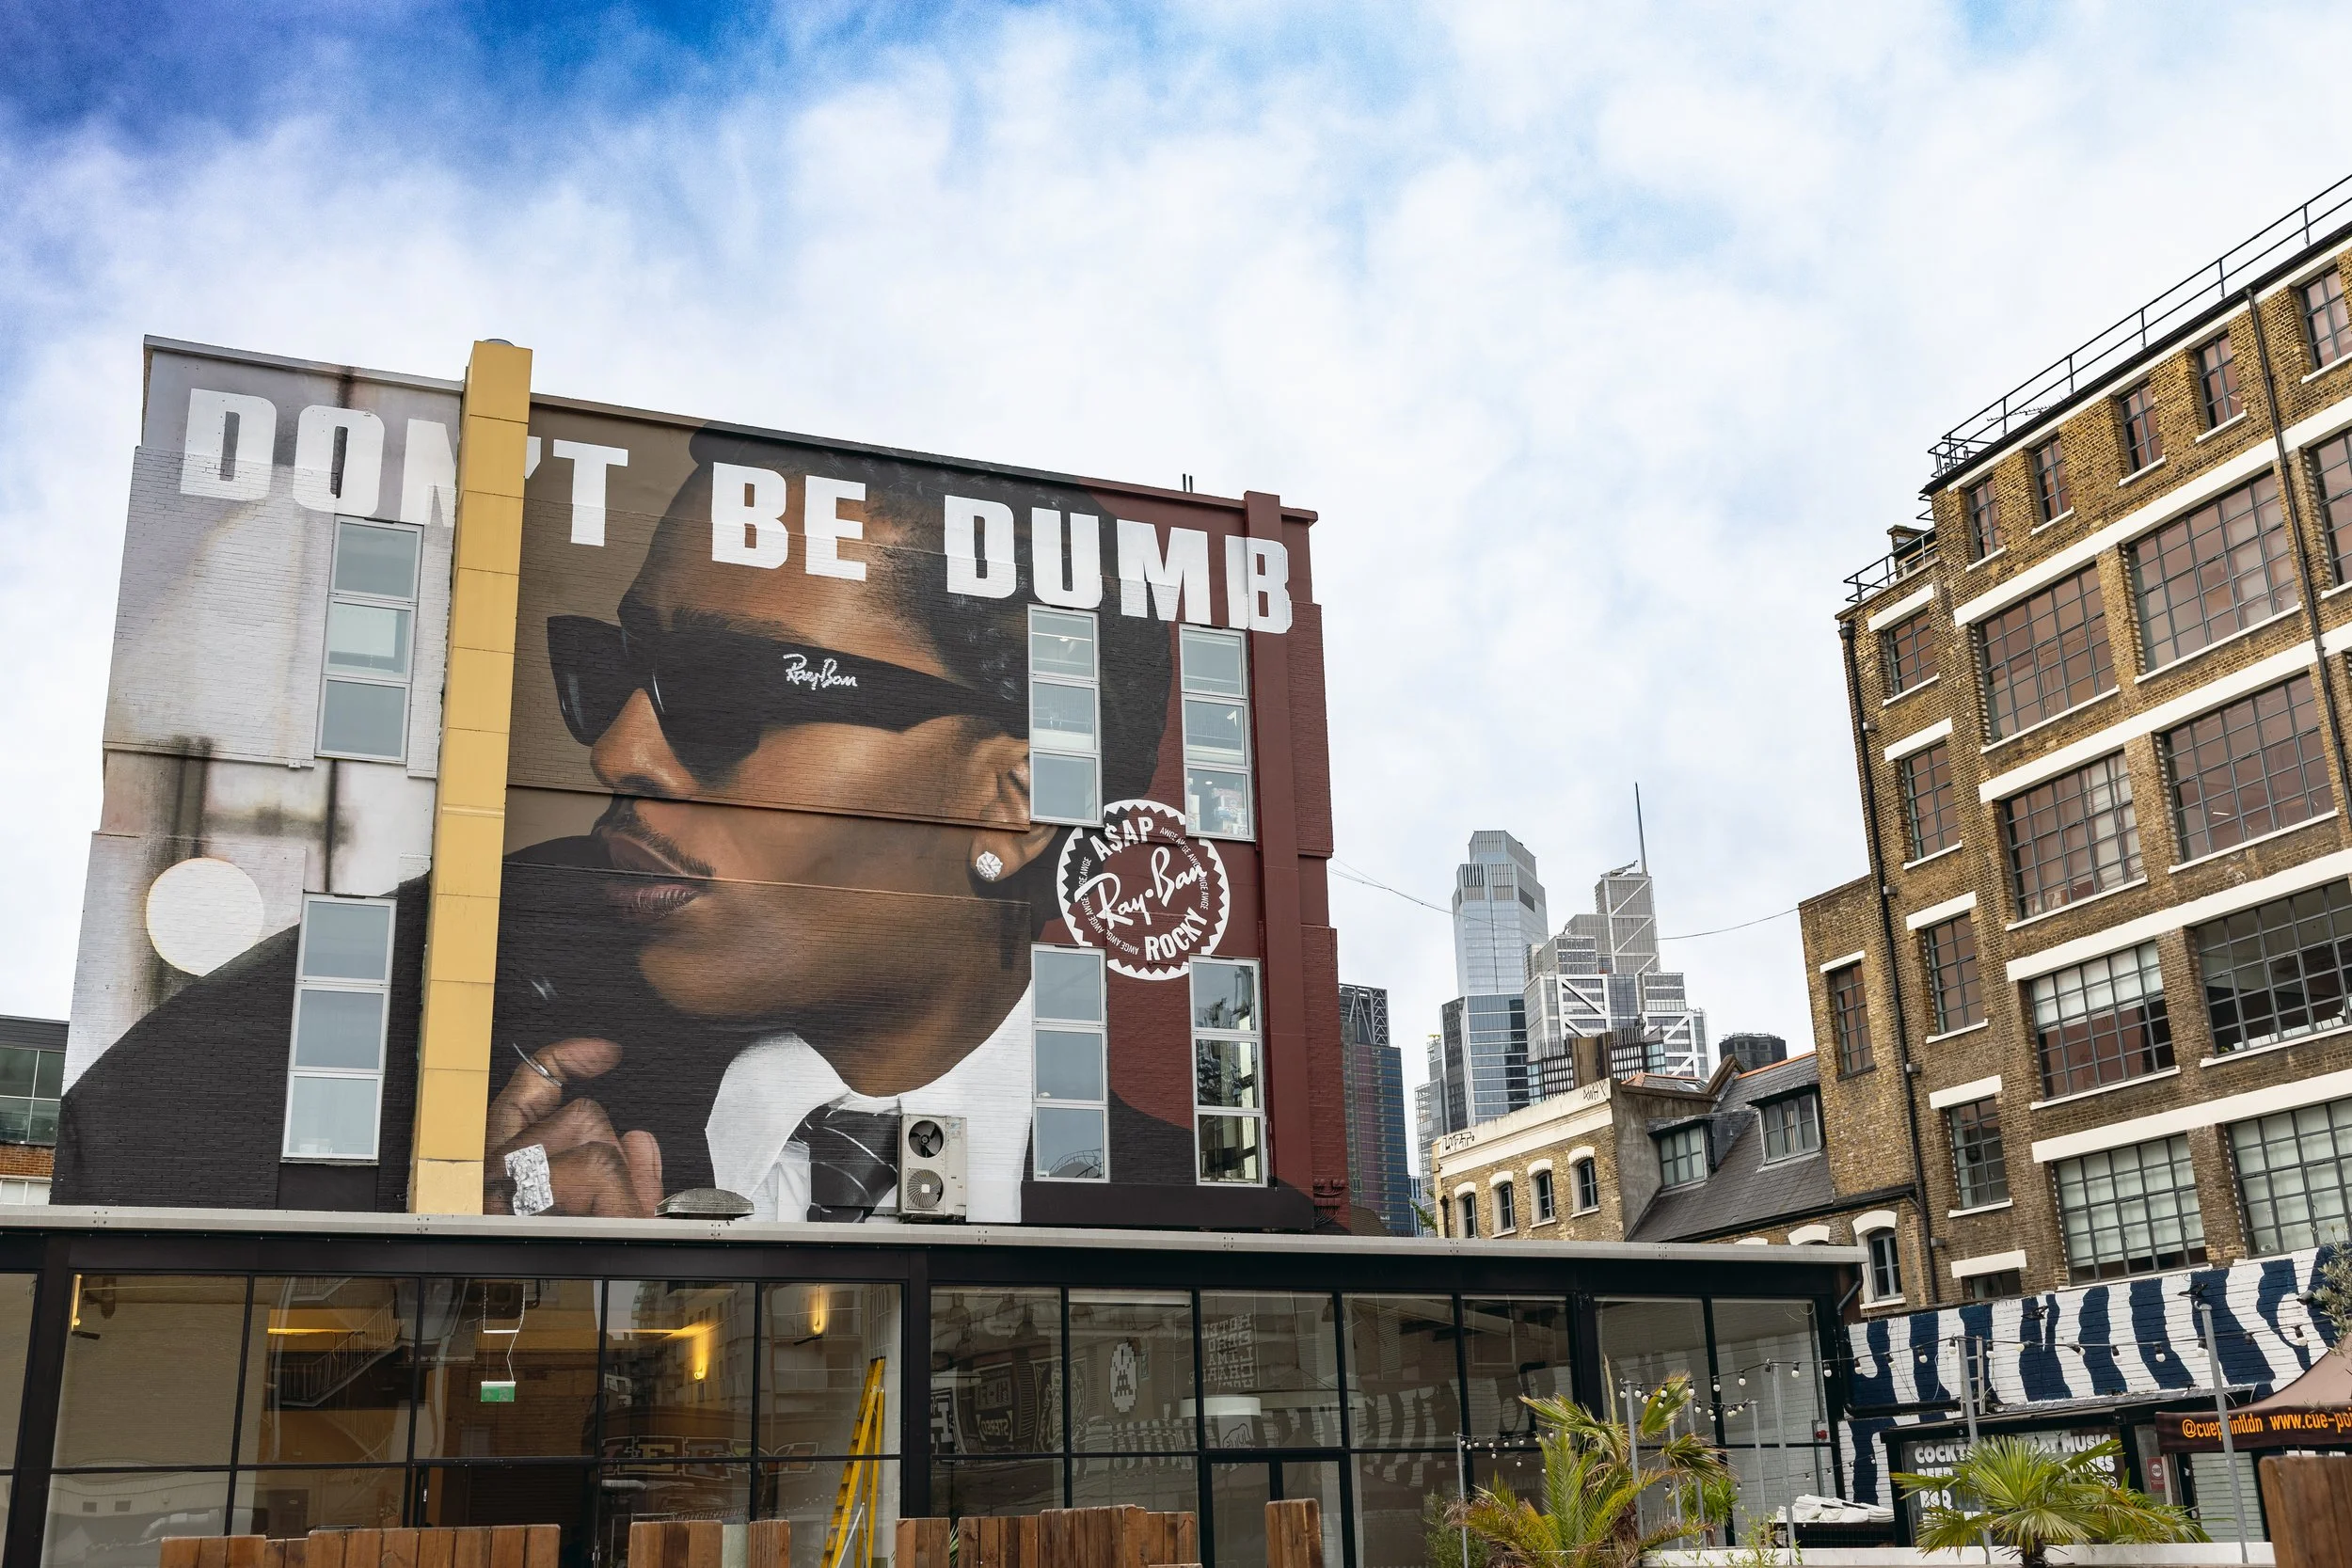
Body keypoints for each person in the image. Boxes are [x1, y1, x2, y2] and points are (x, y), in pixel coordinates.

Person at [484, 432, 1176, 1222]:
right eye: (612, 666)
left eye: (725, 688)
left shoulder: (1206, 1216)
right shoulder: (496, 1050)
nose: (618, 751)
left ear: (1019, 799)